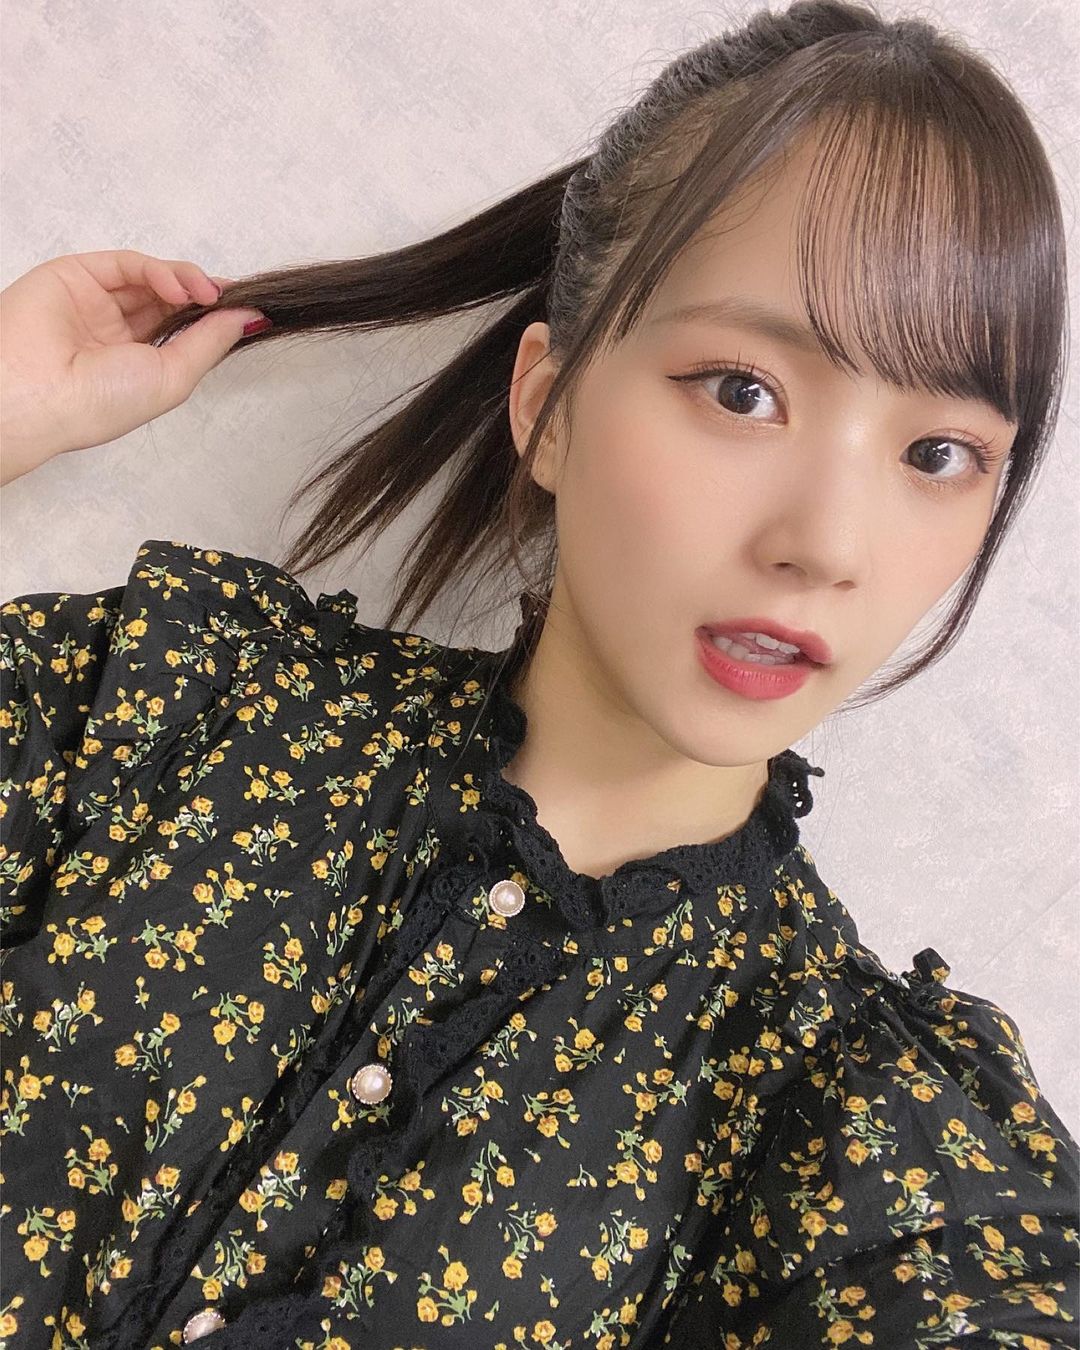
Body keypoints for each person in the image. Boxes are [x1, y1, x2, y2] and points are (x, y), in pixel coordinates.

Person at [1, 1, 1076, 1346]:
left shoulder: (854, 1136)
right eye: (743, 391)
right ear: (548, 406)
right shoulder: (177, 711)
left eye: (938, 455)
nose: (827, 543)